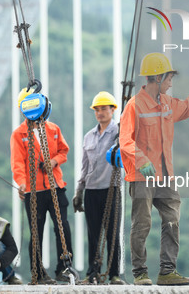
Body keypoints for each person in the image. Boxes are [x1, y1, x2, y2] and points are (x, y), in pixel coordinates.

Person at [119, 52, 189, 286]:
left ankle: (167, 271)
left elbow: (188, 106)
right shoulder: (134, 106)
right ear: (157, 77)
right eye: (169, 78)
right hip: (141, 176)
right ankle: (140, 273)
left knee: (172, 220)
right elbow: (124, 139)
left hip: (165, 177)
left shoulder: (167, 103)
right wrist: (142, 160)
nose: (171, 82)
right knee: (142, 224)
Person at [10, 87, 75, 284]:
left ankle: (63, 268)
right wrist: (21, 183)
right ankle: (37, 272)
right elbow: (18, 163)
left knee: (62, 227)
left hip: (55, 186)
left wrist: (54, 161)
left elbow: (64, 150)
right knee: (36, 232)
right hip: (33, 191)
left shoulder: (53, 129)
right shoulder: (19, 134)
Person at [73, 91, 126, 285]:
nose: (100, 112)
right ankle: (93, 273)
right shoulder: (88, 137)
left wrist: (124, 131)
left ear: (113, 110)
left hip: (112, 189)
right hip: (92, 191)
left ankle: (114, 274)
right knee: (93, 233)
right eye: (97, 109)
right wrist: (79, 191)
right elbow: (85, 166)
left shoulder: (119, 133)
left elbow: (127, 149)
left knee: (112, 233)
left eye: (104, 108)